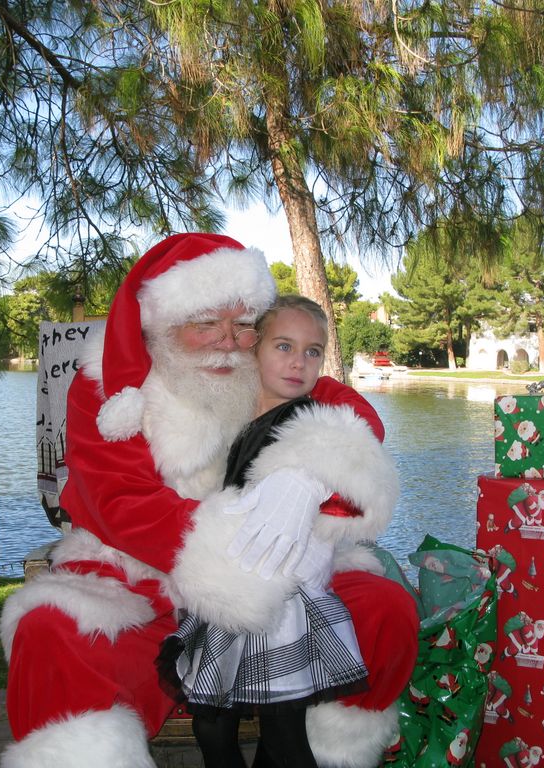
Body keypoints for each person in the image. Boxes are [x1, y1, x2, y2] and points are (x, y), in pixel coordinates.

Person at [0, 233, 418, 768]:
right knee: (51, 632)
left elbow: (356, 416)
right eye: (205, 324)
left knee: (384, 609)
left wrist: (309, 477)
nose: (228, 341)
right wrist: (229, 557)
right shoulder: (110, 390)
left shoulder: (267, 365)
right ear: (163, 326)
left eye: (243, 324)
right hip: (138, 570)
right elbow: (120, 500)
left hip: (283, 562)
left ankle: (323, 751)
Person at [164, 295, 398, 768]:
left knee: (282, 732)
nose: (299, 363)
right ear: (255, 348)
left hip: (283, 589)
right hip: (236, 578)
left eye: (313, 352)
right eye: (284, 346)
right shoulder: (233, 410)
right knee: (214, 724)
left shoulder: (309, 421)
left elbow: (350, 450)